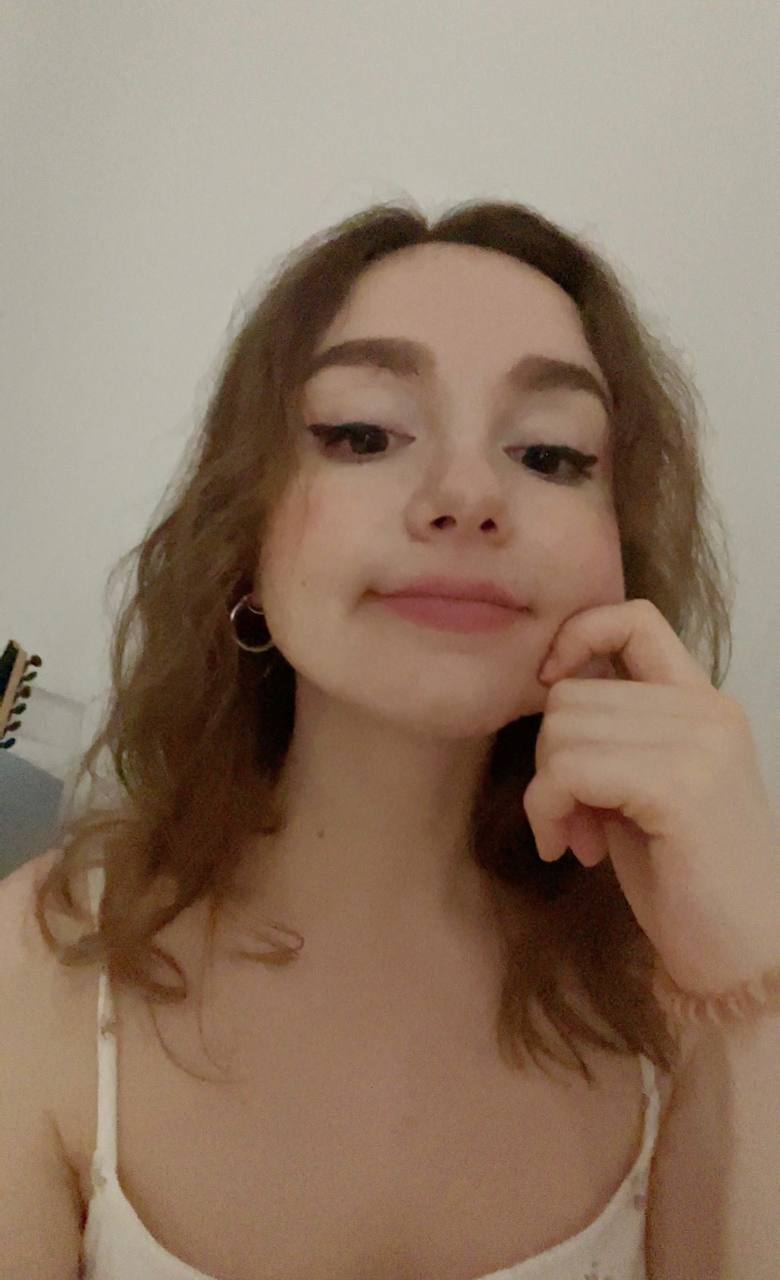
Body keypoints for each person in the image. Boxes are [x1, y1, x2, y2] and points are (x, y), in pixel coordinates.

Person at [1, 199, 735, 1278]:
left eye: (549, 453)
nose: (468, 495)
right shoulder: (35, 965)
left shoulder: (698, 982)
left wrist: (755, 988)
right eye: (362, 435)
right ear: (246, 536)